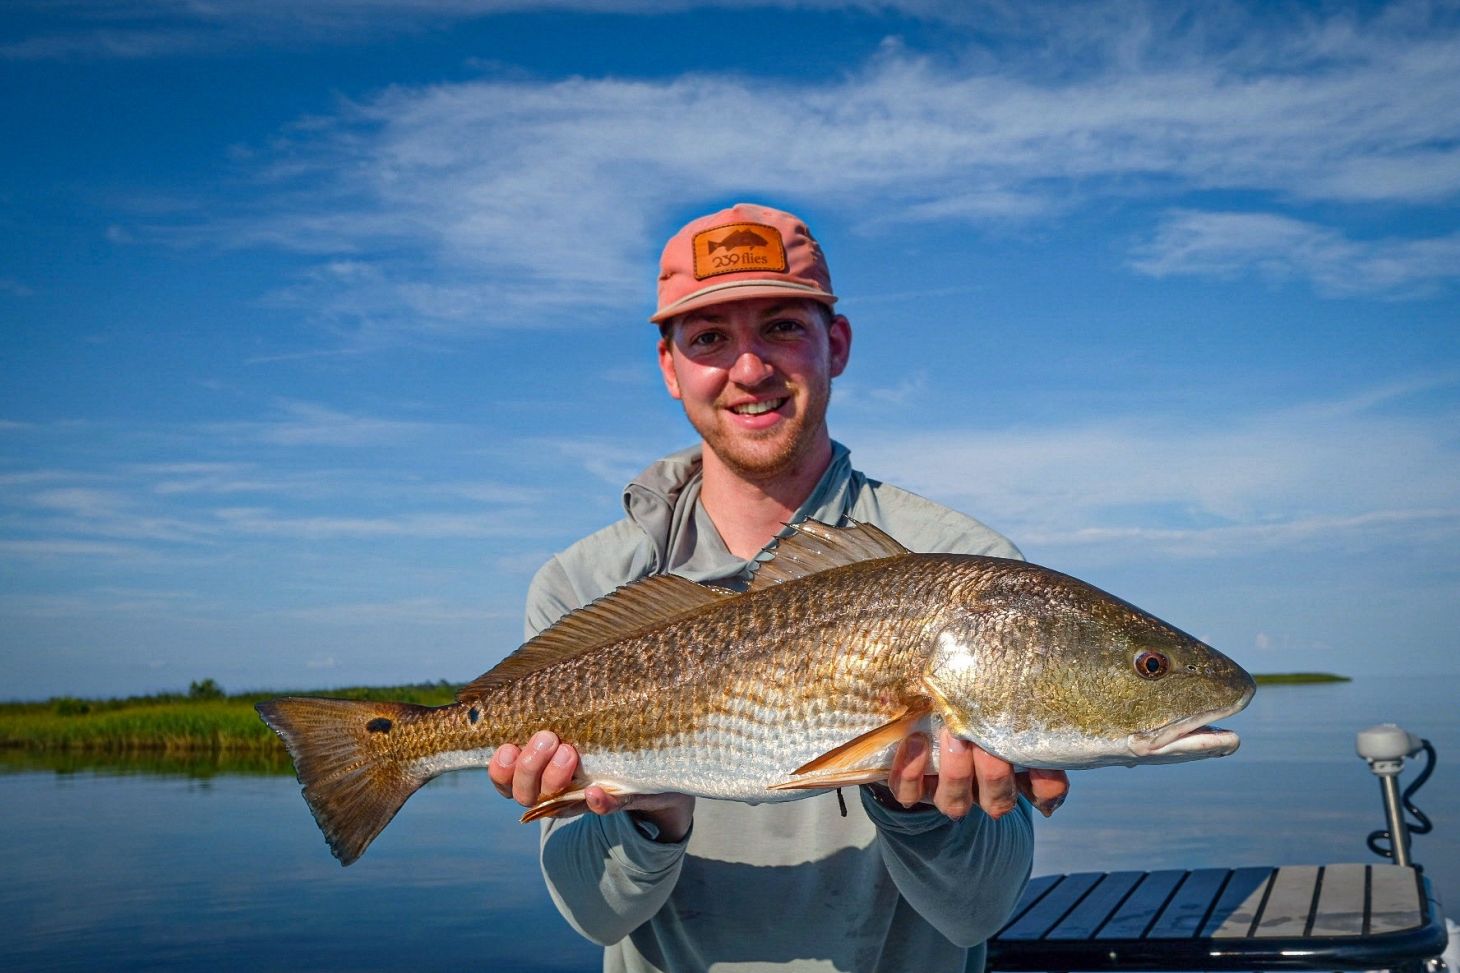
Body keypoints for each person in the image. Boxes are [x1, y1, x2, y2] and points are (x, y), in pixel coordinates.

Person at [488, 202, 1070, 972]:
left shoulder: (968, 570)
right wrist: (653, 809)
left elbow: (979, 911)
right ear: (669, 366)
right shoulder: (583, 586)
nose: (751, 368)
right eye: (709, 338)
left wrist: (924, 811)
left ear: (837, 343)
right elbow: (596, 916)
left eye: (783, 327)